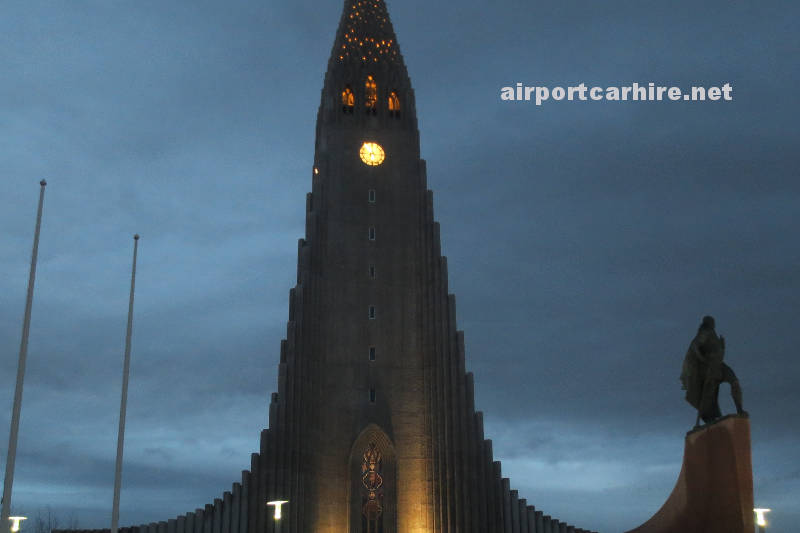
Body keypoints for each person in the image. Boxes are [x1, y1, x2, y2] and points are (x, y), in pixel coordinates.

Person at [680, 316, 745, 425]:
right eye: (711, 322)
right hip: (710, 368)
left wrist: (722, 347)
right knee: (708, 395)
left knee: (734, 382)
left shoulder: (712, 333)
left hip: (719, 365)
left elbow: (717, 352)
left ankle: (739, 409)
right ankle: (710, 417)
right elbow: (695, 346)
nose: (713, 324)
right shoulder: (705, 332)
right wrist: (703, 359)